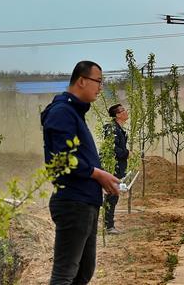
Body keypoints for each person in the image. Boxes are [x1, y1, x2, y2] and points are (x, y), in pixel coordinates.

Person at [41, 60, 120, 285]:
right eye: (98, 81)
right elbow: (63, 157)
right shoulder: (62, 112)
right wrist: (97, 174)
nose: (100, 88)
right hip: (73, 202)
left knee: (83, 272)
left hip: (85, 202)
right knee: (65, 274)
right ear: (82, 81)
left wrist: (100, 176)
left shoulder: (74, 112)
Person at [102, 103, 130, 235]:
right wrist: (127, 153)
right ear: (117, 115)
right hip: (112, 167)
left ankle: (109, 224)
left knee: (113, 196)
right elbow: (113, 149)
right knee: (112, 196)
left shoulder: (119, 129)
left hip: (117, 167)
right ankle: (108, 226)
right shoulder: (111, 129)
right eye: (123, 110)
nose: (126, 112)